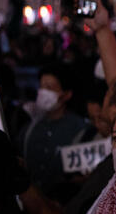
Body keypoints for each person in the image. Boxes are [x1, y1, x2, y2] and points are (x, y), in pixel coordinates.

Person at [17, 63, 91, 198]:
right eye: (41, 87)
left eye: (49, 88)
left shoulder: (81, 129)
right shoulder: (28, 130)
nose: (42, 92)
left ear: (66, 94)